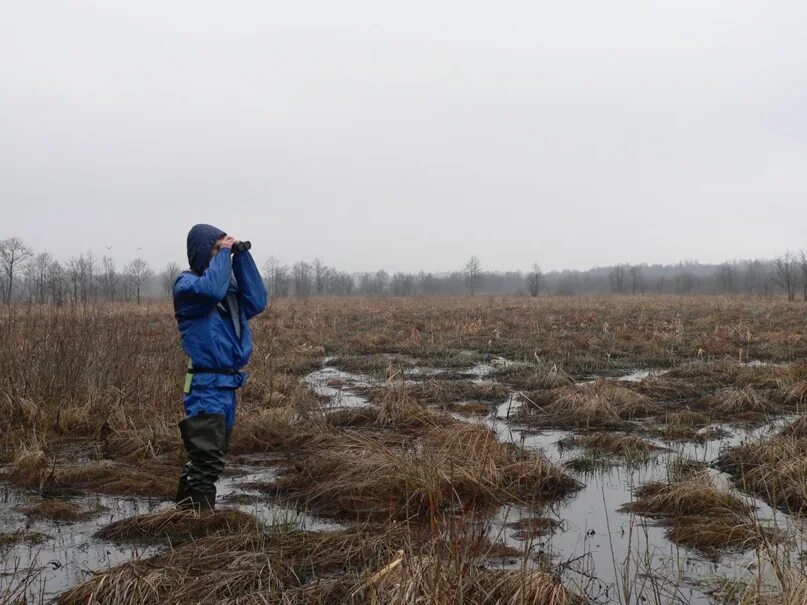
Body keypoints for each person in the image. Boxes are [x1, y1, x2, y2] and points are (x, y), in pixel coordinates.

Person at [172, 223, 268, 511]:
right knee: (206, 458)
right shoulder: (188, 287)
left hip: (227, 386)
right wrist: (225, 254)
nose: (221, 253)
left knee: (210, 458)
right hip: (205, 387)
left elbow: (258, 301)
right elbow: (211, 289)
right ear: (203, 253)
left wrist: (242, 257)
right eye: (215, 249)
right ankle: (197, 525)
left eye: (222, 247)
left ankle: (185, 513)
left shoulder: (228, 293)